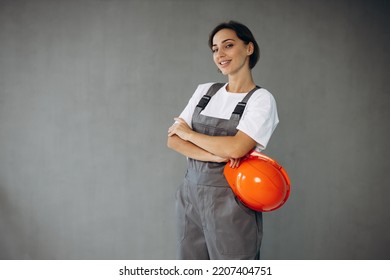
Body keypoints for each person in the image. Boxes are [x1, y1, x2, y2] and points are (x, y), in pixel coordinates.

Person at [167, 20, 279, 260]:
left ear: (249, 48)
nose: (220, 54)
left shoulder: (261, 99)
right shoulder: (205, 91)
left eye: (228, 45)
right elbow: (173, 141)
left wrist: (190, 134)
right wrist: (215, 154)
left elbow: (237, 147)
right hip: (190, 198)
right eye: (215, 49)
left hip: (231, 201)